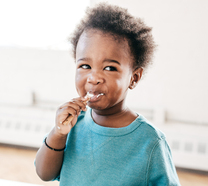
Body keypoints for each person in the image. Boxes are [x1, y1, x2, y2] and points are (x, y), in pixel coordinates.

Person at [35, 3, 181, 186]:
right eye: (85, 66)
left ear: (134, 78)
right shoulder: (71, 125)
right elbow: (44, 173)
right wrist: (58, 134)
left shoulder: (150, 142)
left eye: (110, 68)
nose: (93, 78)